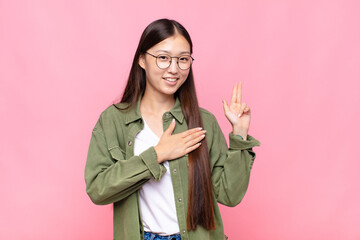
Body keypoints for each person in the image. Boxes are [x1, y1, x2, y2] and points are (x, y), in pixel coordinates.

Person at [85, 18, 260, 240]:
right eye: (163, 58)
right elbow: (98, 190)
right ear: (142, 60)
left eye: (183, 59)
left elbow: (229, 194)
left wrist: (239, 135)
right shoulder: (114, 120)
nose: (174, 69)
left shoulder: (203, 122)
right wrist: (158, 154)